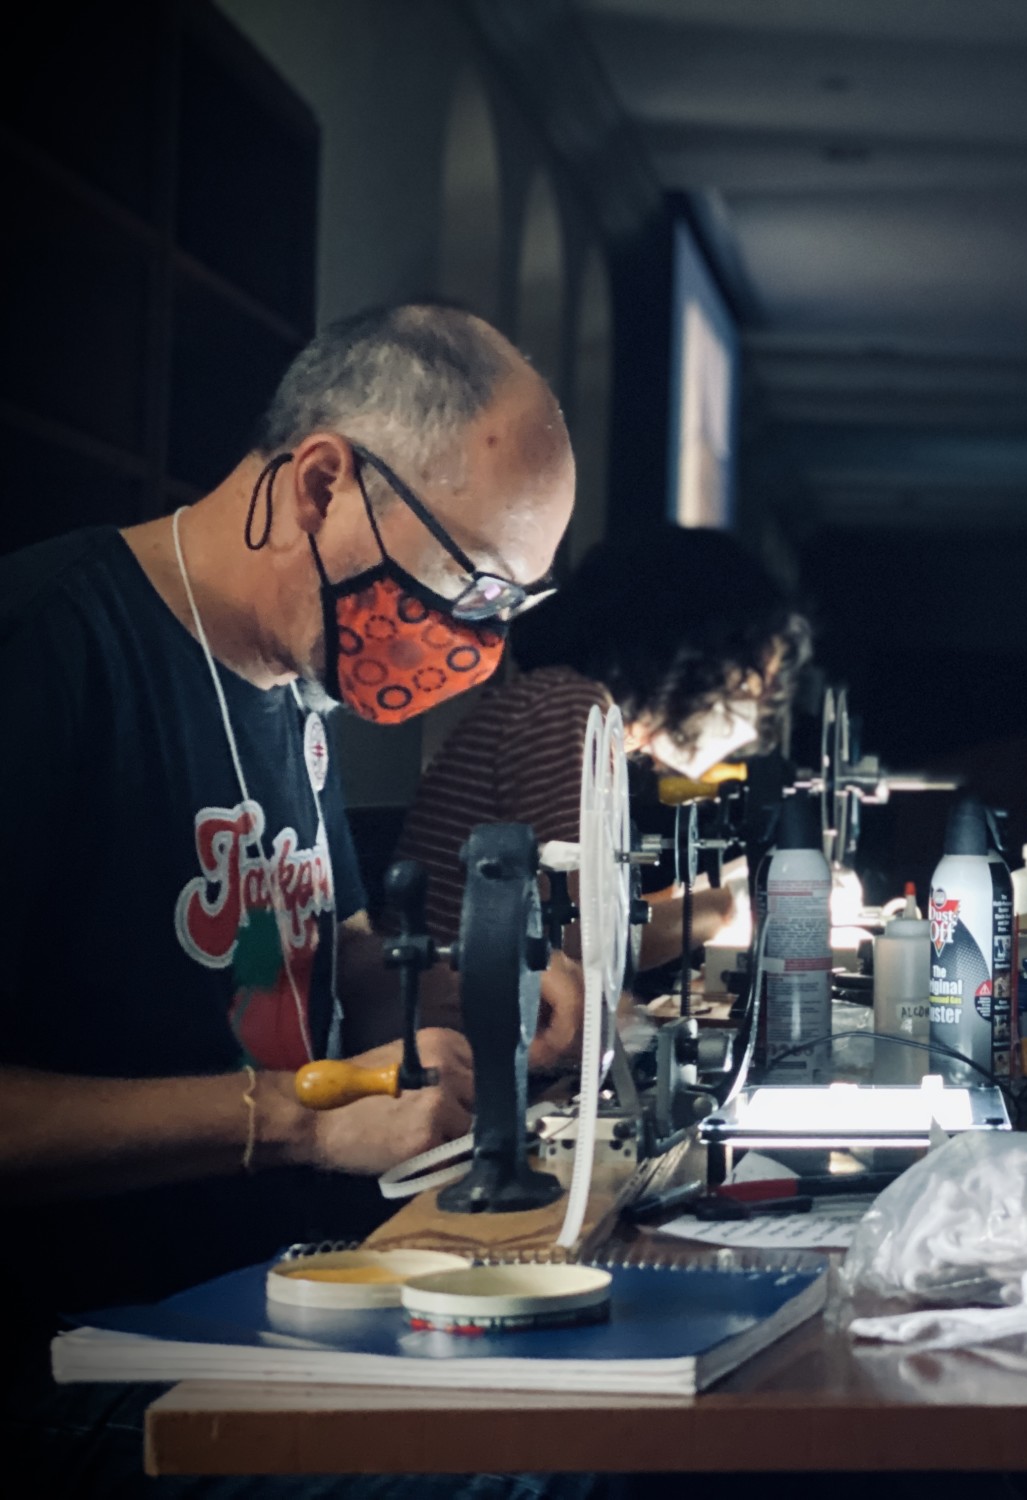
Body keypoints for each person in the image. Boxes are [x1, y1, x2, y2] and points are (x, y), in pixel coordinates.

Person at [0, 304, 578, 1355]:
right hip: (86, 1350)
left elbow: (334, 955)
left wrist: (485, 984)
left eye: (510, 607)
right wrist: (301, 1123)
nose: (478, 643)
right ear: (321, 485)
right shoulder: (45, 655)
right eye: (468, 583)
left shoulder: (294, 688)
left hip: (282, 1290)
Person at [396, 524, 810, 975]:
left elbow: (589, 915)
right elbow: (582, 941)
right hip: (453, 1017)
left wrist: (713, 891)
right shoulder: (564, 706)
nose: (752, 708)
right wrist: (730, 905)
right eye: (746, 681)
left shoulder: (572, 707)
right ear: (691, 651)